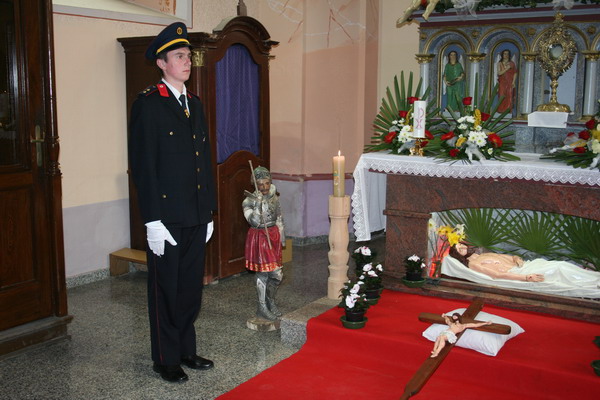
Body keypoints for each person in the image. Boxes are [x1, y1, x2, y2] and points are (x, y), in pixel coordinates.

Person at [129, 22, 217, 383]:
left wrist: (208, 211)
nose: (187, 62)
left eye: (188, 56)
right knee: (165, 290)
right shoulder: (149, 104)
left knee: (190, 289)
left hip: (195, 213)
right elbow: (143, 167)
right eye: (179, 56)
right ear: (162, 63)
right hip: (166, 217)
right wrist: (151, 220)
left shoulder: (194, 103)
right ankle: (165, 359)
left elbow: (203, 160)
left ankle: (185, 349)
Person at [242, 166, 285, 321]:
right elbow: (253, 221)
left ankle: (270, 300)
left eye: (267, 183)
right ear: (255, 184)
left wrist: (281, 237)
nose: (265, 187)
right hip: (259, 236)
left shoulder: (274, 197)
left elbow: (279, 217)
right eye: (261, 184)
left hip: (273, 235)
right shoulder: (248, 201)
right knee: (263, 273)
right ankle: (262, 307)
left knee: (277, 274)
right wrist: (258, 205)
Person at [449, 243, 544, 282]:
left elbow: (510, 257)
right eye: (459, 249)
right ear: (458, 255)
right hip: (518, 273)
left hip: (525, 265)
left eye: (460, 244)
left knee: (550, 266)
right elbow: (497, 275)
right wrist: (526, 277)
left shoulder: (481, 254)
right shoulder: (472, 263)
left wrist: (517, 259)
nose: (462, 247)